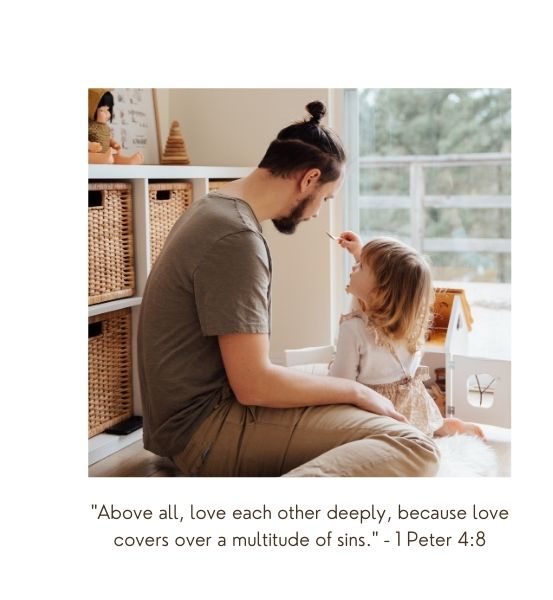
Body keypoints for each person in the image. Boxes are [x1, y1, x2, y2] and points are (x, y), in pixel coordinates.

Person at [137, 101, 439, 477]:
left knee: (365, 420)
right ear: (309, 179)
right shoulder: (236, 239)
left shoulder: (213, 208)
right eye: (325, 198)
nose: (317, 213)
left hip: (188, 420)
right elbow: (254, 384)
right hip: (203, 431)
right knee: (412, 445)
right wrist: (358, 391)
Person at [330, 231, 484, 439]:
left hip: (377, 409)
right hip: (411, 398)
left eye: (360, 266)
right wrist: (359, 253)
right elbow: (375, 285)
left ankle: (433, 429)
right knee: (423, 426)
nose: (353, 268)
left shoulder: (352, 329)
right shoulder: (404, 322)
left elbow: (340, 384)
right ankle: (444, 426)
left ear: (378, 292)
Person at [88, 88, 143, 164]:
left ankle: (128, 161)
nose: (107, 114)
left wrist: (114, 143)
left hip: (106, 153)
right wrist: (90, 145)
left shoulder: (105, 127)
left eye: (108, 110)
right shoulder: (89, 125)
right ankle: (104, 158)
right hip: (92, 153)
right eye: (102, 110)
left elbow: (109, 138)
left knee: (115, 156)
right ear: (91, 109)